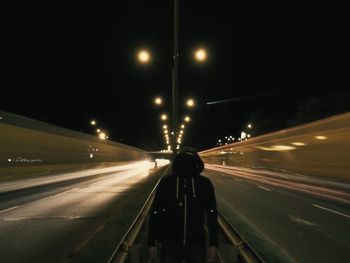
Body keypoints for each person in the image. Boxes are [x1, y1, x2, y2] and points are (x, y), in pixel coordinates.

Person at [148, 147, 218, 263]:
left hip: (195, 241)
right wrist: (151, 242)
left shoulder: (204, 183)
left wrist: (213, 243)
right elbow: (155, 211)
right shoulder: (167, 182)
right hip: (171, 241)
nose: (186, 166)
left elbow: (212, 213)